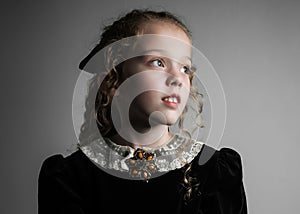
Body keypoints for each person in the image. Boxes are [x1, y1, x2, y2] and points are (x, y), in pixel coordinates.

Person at [38, 9, 247, 214]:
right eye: (158, 62)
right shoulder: (69, 177)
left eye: (185, 68)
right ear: (112, 83)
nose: (177, 78)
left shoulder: (214, 170)